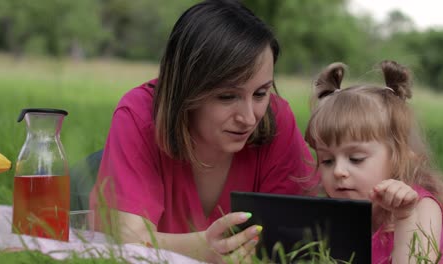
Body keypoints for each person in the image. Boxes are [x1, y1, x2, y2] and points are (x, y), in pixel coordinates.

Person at [89, 0, 318, 263]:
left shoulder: (276, 119)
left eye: (261, 93)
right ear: (187, 89)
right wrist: (201, 249)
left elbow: (303, 239)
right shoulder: (138, 115)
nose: (248, 117)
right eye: (227, 96)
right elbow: (125, 238)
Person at [304, 60, 443, 263]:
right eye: (327, 160)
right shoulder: (338, 210)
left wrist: (404, 217)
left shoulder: (420, 208)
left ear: (400, 156)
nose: (338, 171)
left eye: (356, 158)